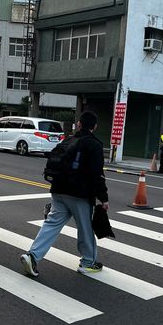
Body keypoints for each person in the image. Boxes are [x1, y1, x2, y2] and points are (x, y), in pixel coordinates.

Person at [20, 111, 109, 277]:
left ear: (79, 124)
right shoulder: (94, 144)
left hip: (58, 190)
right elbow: (97, 174)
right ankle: (88, 262)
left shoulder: (68, 140)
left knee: (51, 225)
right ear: (94, 127)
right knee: (85, 228)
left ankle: (32, 256)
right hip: (80, 194)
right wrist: (103, 197)